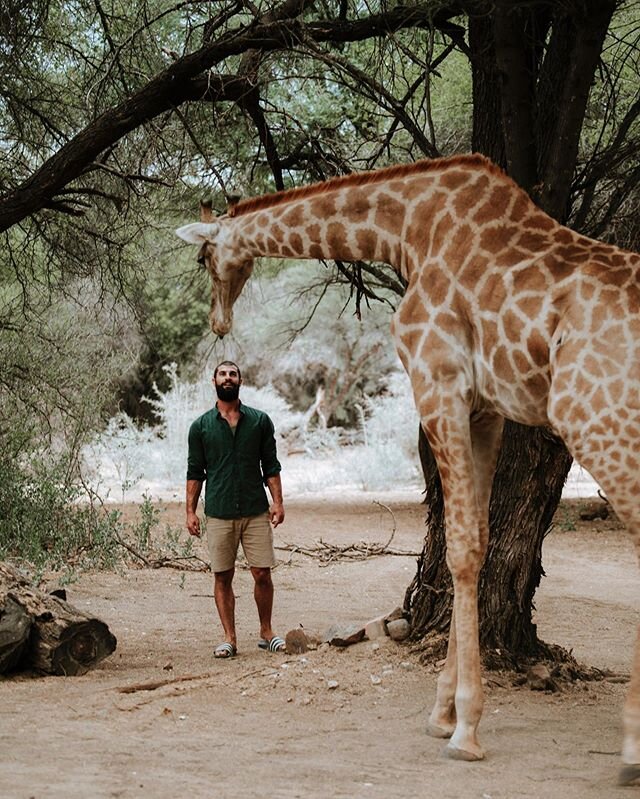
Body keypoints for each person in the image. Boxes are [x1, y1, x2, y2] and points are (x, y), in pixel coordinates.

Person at [186, 360, 286, 659]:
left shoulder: (259, 421)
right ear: (213, 380)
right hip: (219, 510)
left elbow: (271, 465)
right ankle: (229, 637)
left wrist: (278, 502)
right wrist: (190, 511)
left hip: (255, 509)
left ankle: (266, 632)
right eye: (222, 374)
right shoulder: (200, 427)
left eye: (232, 374)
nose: (227, 378)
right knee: (222, 576)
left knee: (262, 573)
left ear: (240, 380)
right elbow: (195, 472)